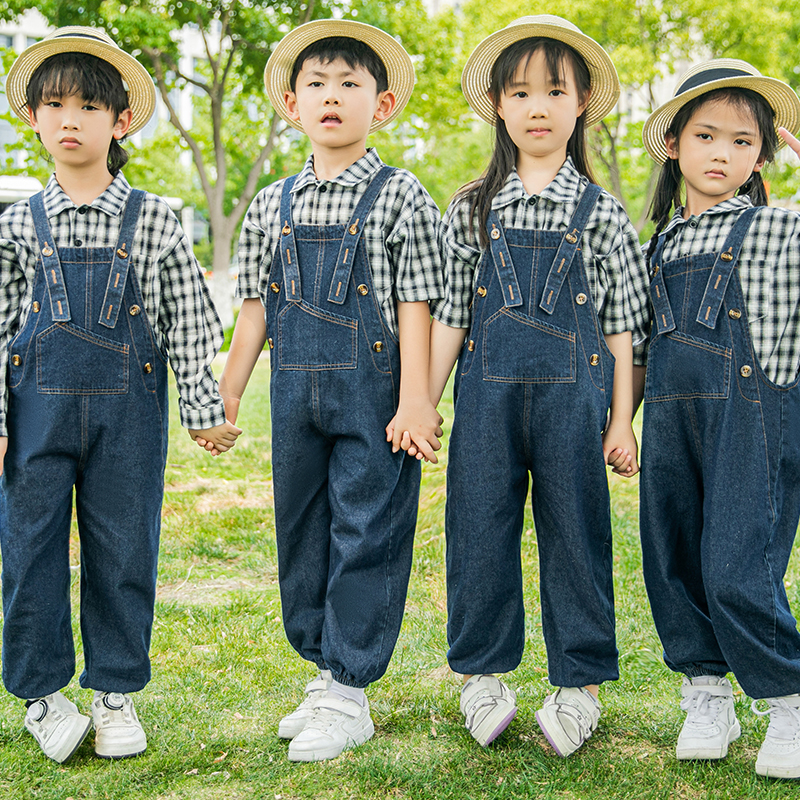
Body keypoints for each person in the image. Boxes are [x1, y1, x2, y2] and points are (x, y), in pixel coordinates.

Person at [0, 27, 240, 763]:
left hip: (127, 422)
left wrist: (204, 413)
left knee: (123, 548)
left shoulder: (158, 221)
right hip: (33, 420)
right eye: (52, 105)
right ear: (32, 119)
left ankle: (114, 691)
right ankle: (43, 695)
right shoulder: (13, 225)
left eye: (85, 105)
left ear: (120, 120)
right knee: (27, 547)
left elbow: (190, 328)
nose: (68, 119)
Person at [214, 19, 443, 762]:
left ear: (382, 106)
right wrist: (225, 393)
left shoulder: (400, 193)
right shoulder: (273, 203)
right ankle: (323, 667)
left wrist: (415, 398)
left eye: (351, 83)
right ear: (291, 103)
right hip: (293, 400)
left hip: (374, 395)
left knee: (367, 528)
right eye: (317, 83)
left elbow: (416, 302)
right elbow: (254, 308)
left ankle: (351, 689)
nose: (332, 96)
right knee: (303, 530)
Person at [427, 16, 650, 756]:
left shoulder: (603, 213)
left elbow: (621, 326)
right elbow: (453, 315)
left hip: (575, 403)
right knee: (478, 529)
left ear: (581, 102)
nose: (537, 106)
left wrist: (621, 420)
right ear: (497, 105)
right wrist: (423, 400)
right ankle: (482, 676)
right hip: (485, 403)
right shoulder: (472, 208)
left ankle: (578, 685)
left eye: (555, 90)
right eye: (520, 92)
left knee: (577, 536)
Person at [639, 58, 800, 779]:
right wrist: (620, 419)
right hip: (671, 424)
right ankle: (705, 691)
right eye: (707, 136)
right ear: (673, 144)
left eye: (742, 142)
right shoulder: (660, 245)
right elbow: (637, 346)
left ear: (760, 156)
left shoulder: (776, 234)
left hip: (753, 419)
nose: (723, 154)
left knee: (738, 562)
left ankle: (789, 700)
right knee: (672, 558)